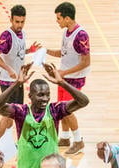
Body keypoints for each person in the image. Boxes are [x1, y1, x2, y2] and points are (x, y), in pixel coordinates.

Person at [0, 61, 89, 168]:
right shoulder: (22, 112)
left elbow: (83, 101)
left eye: (47, 95)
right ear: (30, 96)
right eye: (40, 95)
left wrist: (61, 82)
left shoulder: (54, 111)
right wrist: (16, 84)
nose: (45, 99)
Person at [48, 2, 90, 155]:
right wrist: (46, 51)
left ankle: (78, 141)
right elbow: (64, 53)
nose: (57, 21)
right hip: (64, 77)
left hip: (73, 79)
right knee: (61, 108)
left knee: (67, 110)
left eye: (59, 18)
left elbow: (86, 62)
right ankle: (65, 137)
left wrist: (64, 74)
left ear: (67, 18)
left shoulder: (81, 35)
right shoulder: (66, 32)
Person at [0, 4, 37, 140]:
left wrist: (30, 51)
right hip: (7, 81)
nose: (20, 25)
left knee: (17, 113)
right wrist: (9, 69)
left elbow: (18, 53)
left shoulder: (22, 34)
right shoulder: (7, 35)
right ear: (11, 20)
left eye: (22, 22)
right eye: (17, 21)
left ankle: (12, 142)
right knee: (8, 114)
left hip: (18, 80)